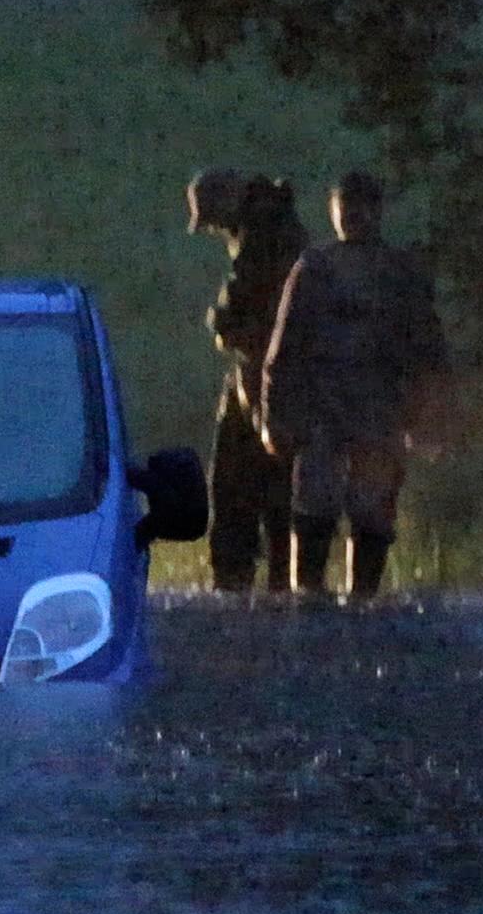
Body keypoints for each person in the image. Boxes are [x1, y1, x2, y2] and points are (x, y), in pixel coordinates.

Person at [260, 170, 449, 601]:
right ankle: (307, 594)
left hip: (380, 407)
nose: (352, 218)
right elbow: (283, 350)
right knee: (314, 506)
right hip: (323, 406)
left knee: (372, 510)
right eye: (345, 209)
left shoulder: (398, 273)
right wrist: (275, 416)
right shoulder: (314, 269)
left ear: (377, 212)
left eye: (359, 209)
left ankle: (362, 599)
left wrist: (428, 416)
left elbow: (427, 350)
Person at [187, 168, 307, 596]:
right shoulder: (271, 225)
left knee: (242, 482)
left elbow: (250, 314)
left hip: (267, 376)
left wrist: (223, 323)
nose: (216, 231)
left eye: (215, 221)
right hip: (268, 373)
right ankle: (278, 578)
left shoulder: (264, 236)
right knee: (267, 485)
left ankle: (245, 580)